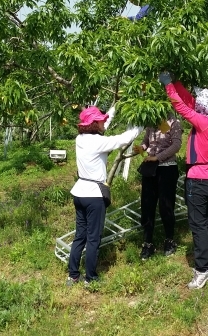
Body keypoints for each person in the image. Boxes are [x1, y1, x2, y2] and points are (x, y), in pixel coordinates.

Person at [160, 72, 208, 289]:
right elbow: (190, 102)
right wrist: (177, 82)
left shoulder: (205, 123)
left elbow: (183, 108)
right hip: (206, 179)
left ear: (207, 108)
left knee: (197, 226)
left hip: (197, 181)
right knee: (205, 223)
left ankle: (201, 270)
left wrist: (169, 86)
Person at [67, 105, 141, 286]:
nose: (103, 122)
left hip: (80, 193)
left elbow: (102, 128)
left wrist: (114, 108)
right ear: (94, 124)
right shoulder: (98, 142)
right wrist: (141, 124)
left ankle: (73, 275)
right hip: (93, 196)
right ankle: (90, 277)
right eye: (101, 120)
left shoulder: (81, 139)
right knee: (93, 238)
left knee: (80, 236)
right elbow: (124, 139)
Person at [133, 113, 182, 260]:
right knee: (147, 205)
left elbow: (176, 145)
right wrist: (141, 148)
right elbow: (146, 142)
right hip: (150, 168)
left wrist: (158, 157)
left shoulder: (174, 122)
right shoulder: (151, 122)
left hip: (167, 168)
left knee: (166, 205)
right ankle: (148, 243)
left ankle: (169, 240)